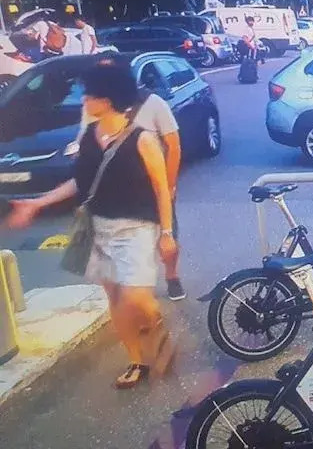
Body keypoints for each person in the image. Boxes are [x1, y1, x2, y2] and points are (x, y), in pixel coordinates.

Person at [6, 60, 177, 389]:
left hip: (136, 228)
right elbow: (79, 182)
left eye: (89, 94)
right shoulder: (88, 136)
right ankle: (137, 360)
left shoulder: (142, 140)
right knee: (115, 299)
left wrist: (167, 234)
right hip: (97, 228)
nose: (83, 99)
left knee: (137, 299)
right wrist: (38, 203)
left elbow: (161, 189)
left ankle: (155, 326)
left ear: (108, 99)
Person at [78, 56, 186, 300]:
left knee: (168, 237)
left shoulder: (153, 103)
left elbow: (173, 144)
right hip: (115, 191)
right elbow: (87, 140)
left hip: (150, 184)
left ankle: (171, 276)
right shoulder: (93, 108)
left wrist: (169, 184)